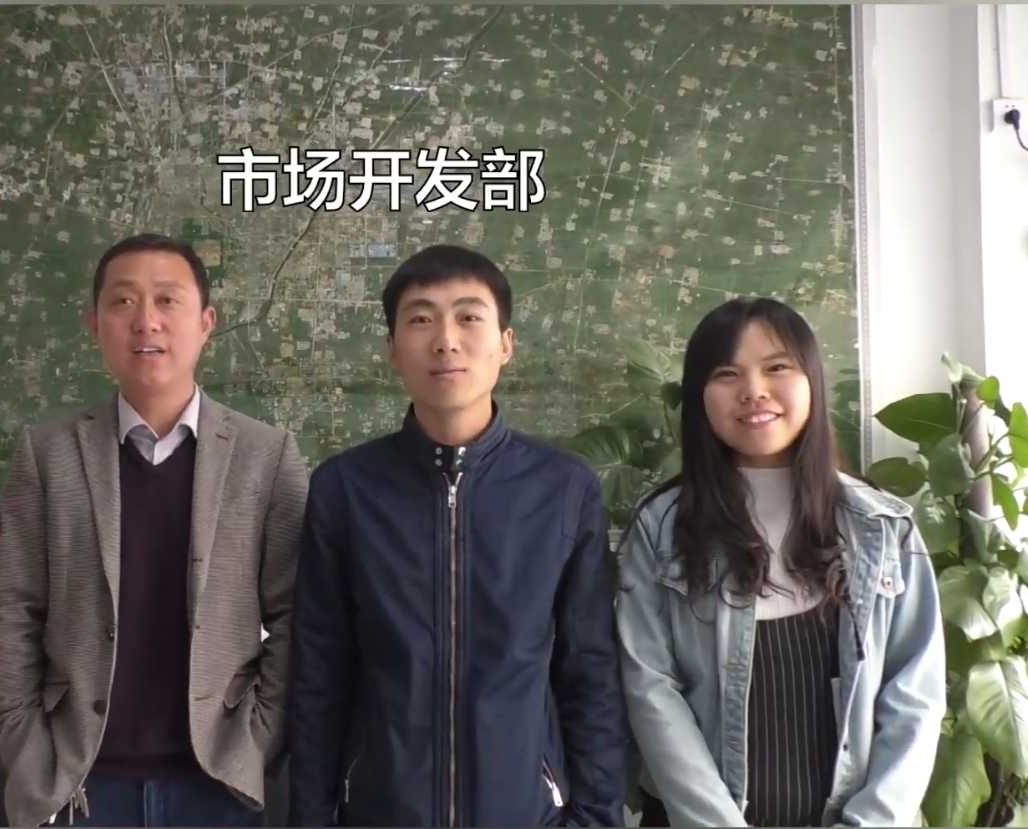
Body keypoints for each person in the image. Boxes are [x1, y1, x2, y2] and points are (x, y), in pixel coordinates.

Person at [288, 244, 627, 827]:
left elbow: (589, 670)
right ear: (393, 349)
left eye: (469, 317)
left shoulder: (563, 489)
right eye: (421, 319)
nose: (446, 340)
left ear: (506, 344)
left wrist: (596, 819)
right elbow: (320, 673)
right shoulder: (345, 488)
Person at [0, 233, 308, 827]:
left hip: (217, 785)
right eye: (124, 302)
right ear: (94, 325)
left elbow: (297, 615)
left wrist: (257, 739)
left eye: (167, 300)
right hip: (78, 783)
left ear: (206, 323)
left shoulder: (266, 455)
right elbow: (12, 611)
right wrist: (27, 752)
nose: (146, 321)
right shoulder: (48, 453)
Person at [616, 297, 944, 827]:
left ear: (811, 380)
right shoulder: (661, 528)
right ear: (699, 397)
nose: (754, 391)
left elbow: (915, 696)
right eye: (727, 374)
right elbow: (650, 688)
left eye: (776, 368)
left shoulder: (883, 527)